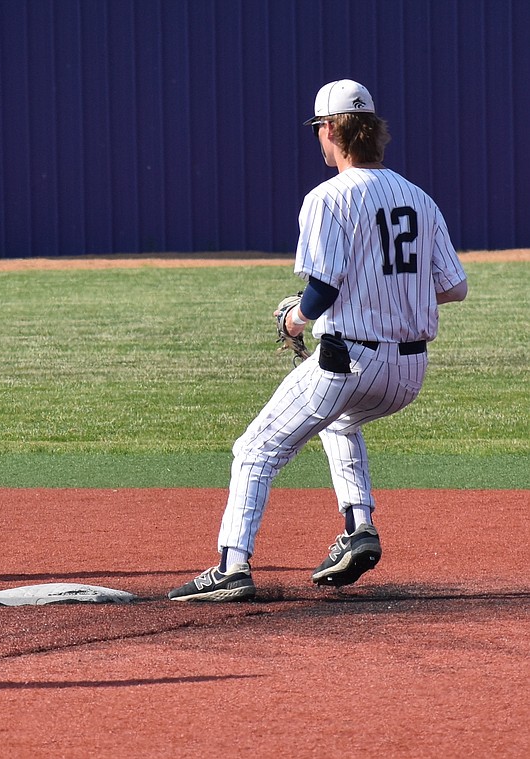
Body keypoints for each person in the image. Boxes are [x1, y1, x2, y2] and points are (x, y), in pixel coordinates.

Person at [168, 80, 468, 601]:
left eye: (319, 131)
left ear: (330, 129)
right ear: (374, 131)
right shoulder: (420, 198)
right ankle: (359, 529)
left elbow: (323, 287)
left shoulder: (328, 197)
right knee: (341, 422)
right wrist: (392, 300)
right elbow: (454, 287)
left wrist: (293, 321)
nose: (319, 140)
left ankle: (230, 566)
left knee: (254, 449)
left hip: (349, 359)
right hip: (410, 372)